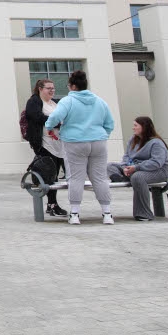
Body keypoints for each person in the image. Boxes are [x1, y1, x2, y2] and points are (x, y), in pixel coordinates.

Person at [44, 70, 115, 225]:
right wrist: (103, 134)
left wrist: (49, 126)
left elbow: (55, 117)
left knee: (76, 178)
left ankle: (75, 214)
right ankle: (107, 213)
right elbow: (110, 123)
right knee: (100, 178)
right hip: (98, 141)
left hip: (74, 141)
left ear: (73, 86)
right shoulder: (100, 101)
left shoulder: (67, 101)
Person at [107, 117, 168, 221]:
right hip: (134, 168)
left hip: (157, 171)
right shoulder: (133, 140)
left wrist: (136, 168)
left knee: (138, 177)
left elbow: (156, 162)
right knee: (110, 166)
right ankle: (124, 176)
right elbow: (127, 157)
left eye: (135, 125)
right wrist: (125, 167)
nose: (133, 128)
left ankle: (144, 214)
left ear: (144, 127)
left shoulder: (156, 143)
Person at [24, 79, 68, 217]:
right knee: (49, 174)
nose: (51, 90)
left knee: (54, 175)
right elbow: (36, 116)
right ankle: (52, 204)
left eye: (53, 88)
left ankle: (51, 204)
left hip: (58, 143)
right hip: (44, 143)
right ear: (40, 89)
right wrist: (55, 122)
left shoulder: (54, 102)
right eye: (48, 88)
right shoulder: (34, 101)